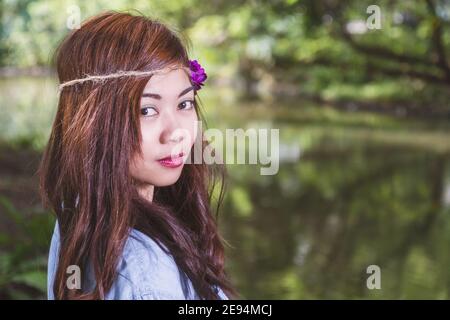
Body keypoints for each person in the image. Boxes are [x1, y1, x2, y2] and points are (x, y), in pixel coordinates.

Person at [39, 10, 236, 300]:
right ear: (94, 122)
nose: (176, 133)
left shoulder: (79, 209)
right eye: (147, 110)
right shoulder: (145, 274)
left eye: (184, 104)